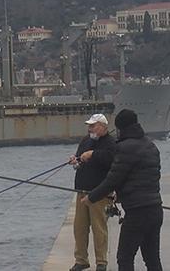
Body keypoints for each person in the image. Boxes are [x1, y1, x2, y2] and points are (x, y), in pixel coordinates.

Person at [82, 109, 163, 271]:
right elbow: (149, 177)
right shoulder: (151, 146)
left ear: (121, 128)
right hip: (155, 208)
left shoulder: (125, 148)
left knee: (125, 258)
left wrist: (92, 197)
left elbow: (113, 179)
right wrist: (121, 194)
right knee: (152, 258)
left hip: (136, 212)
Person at [68, 113, 116, 271]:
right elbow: (79, 159)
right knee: (79, 228)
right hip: (82, 190)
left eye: (93, 126)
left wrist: (93, 154)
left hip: (100, 193)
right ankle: (81, 260)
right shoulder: (85, 141)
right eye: (89, 126)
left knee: (99, 228)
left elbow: (111, 159)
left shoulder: (110, 142)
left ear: (103, 126)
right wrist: (75, 160)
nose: (90, 129)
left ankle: (101, 262)